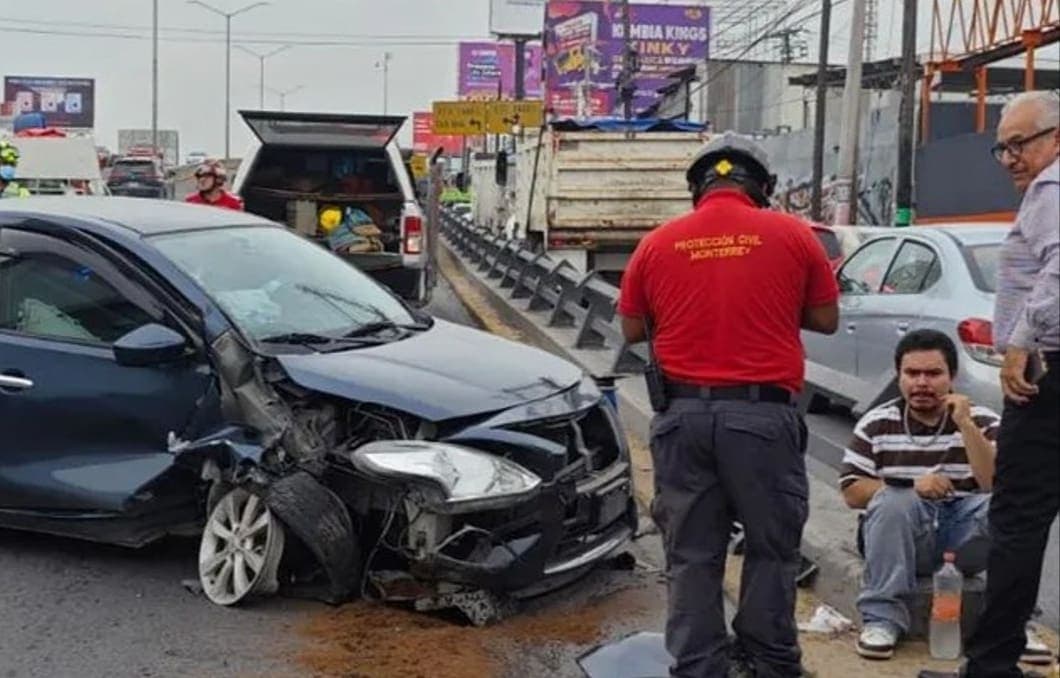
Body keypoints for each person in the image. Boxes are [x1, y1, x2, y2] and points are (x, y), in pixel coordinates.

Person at [618, 131, 839, 678]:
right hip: (762, 419)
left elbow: (632, 329)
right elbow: (826, 319)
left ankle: (699, 665)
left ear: (697, 188)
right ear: (761, 186)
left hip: (682, 420)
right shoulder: (793, 234)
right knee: (771, 547)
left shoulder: (657, 243)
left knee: (691, 554)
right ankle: (768, 662)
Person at [922, 91, 1060, 678]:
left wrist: (1022, 341)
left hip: (1047, 372)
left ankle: (992, 665)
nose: (1009, 158)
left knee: (1017, 519)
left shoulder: (1052, 190)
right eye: (1002, 147)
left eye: (1020, 143)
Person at [841, 330, 1005, 659]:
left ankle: (1013, 622)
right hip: (903, 536)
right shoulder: (877, 422)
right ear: (899, 376)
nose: (922, 383)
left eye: (933, 374)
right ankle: (882, 620)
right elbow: (852, 491)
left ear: (952, 377)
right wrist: (912, 486)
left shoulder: (983, 420)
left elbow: (994, 484)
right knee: (894, 499)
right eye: (912, 373)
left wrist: (966, 425)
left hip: (962, 540)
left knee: (1010, 508)